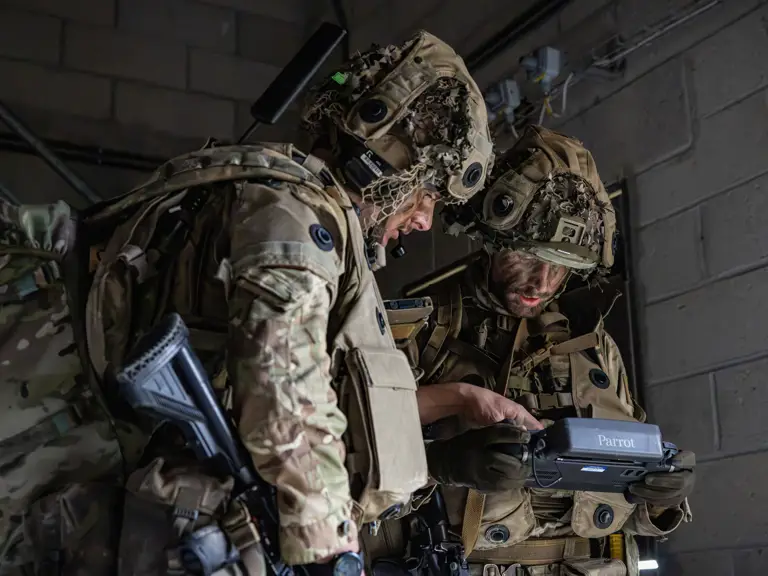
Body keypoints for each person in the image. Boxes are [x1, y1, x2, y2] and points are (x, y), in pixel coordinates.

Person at [0, 30, 495, 576]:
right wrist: (328, 541)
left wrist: (449, 401)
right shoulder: (299, 213)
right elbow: (282, 375)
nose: (425, 218)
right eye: (429, 192)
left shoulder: (268, 188)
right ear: (395, 160)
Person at [364, 126, 695, 576]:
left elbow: (627, 505)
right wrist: (443, 462)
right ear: (492, 242)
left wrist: (659, 499)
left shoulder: (594, 347)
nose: (542, 282)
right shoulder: (418, 329)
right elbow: (349, 468)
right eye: (528, 257)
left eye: (562, 267)